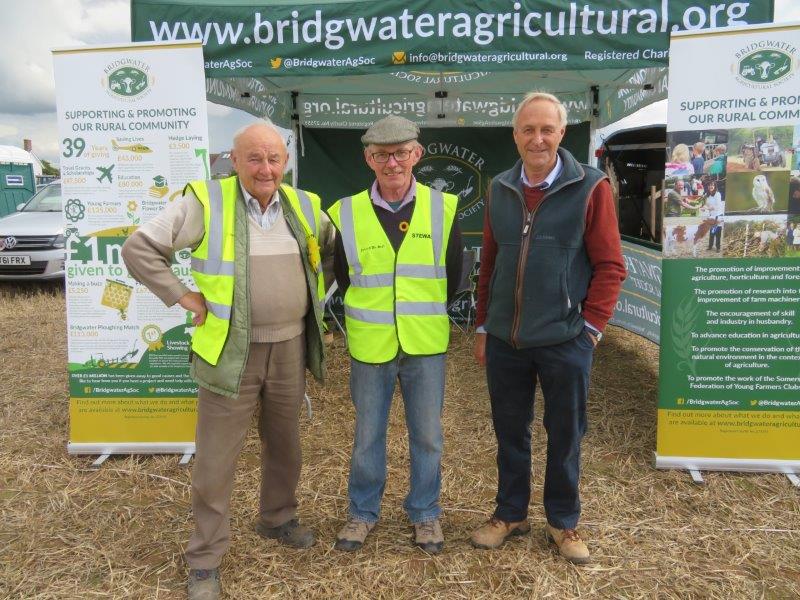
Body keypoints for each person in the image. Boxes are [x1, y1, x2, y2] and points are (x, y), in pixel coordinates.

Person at [121, 121, 333, 600]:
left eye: (274, 158)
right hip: (229, 352)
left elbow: (332, 251)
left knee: (285, 443)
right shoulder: (205, 201)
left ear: (286, 162)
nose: (266, 168)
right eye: (254, 158)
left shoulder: (304, 204)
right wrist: (182, 296)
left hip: (290, 345)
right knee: (216, 459)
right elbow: (138, 249)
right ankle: (205, 558)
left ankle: (277, 519)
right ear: (233, 161)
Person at [469, 92, 626, 565]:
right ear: (515, 135)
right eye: (527, 130)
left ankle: (563, 521)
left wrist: (591, 330)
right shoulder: (500, 187)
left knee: (565, 434)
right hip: (506, 341)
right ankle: (510, 513)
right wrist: (482, 325)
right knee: (509, 430)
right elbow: (490, 263)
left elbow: (610, 267)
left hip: (565, 340)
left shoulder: (591, 187)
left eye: (547, 129)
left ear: (561, 133)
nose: (537, 139)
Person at [326, 115, 462, 555]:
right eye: (382, 154)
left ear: (416, 155)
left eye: (401, 152)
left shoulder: (444, 208)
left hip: (425, 345)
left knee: (427, 436)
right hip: (371, 346)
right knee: (368, 435)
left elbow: (456, 275)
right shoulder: (343, 212)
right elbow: (343, 279)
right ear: (368, 159)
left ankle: (425, 513)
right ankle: (362, 513)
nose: (392, 162)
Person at [702, 179, 725, 252]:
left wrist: (706, 208)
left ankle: (718, 247)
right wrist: (703, 207)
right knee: (712, 232)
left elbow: (716, 206)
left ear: (715, 186)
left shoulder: (717, 194)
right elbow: (706, 203)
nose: (710, 186)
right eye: (709, 185)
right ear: (707, 186)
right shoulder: (707, 194)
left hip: (718, 215)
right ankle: (710, 246)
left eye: (712, 185)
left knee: (718, 232)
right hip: (711, 216)